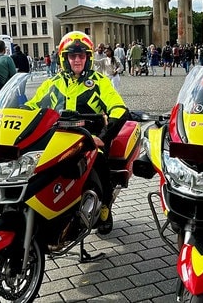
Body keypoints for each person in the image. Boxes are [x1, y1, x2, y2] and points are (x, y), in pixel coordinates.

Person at [24, 31, 129, 235]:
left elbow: (119, 108)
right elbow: (32, 106)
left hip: (89, 139)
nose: (77, 60)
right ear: (65, 58)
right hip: (56, 139)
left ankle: (105, 208)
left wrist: (104, 137)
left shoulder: (99, 81)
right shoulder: (52, 83)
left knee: (99, 166)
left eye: (82, 56)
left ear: (88, 58)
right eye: (73, 56)